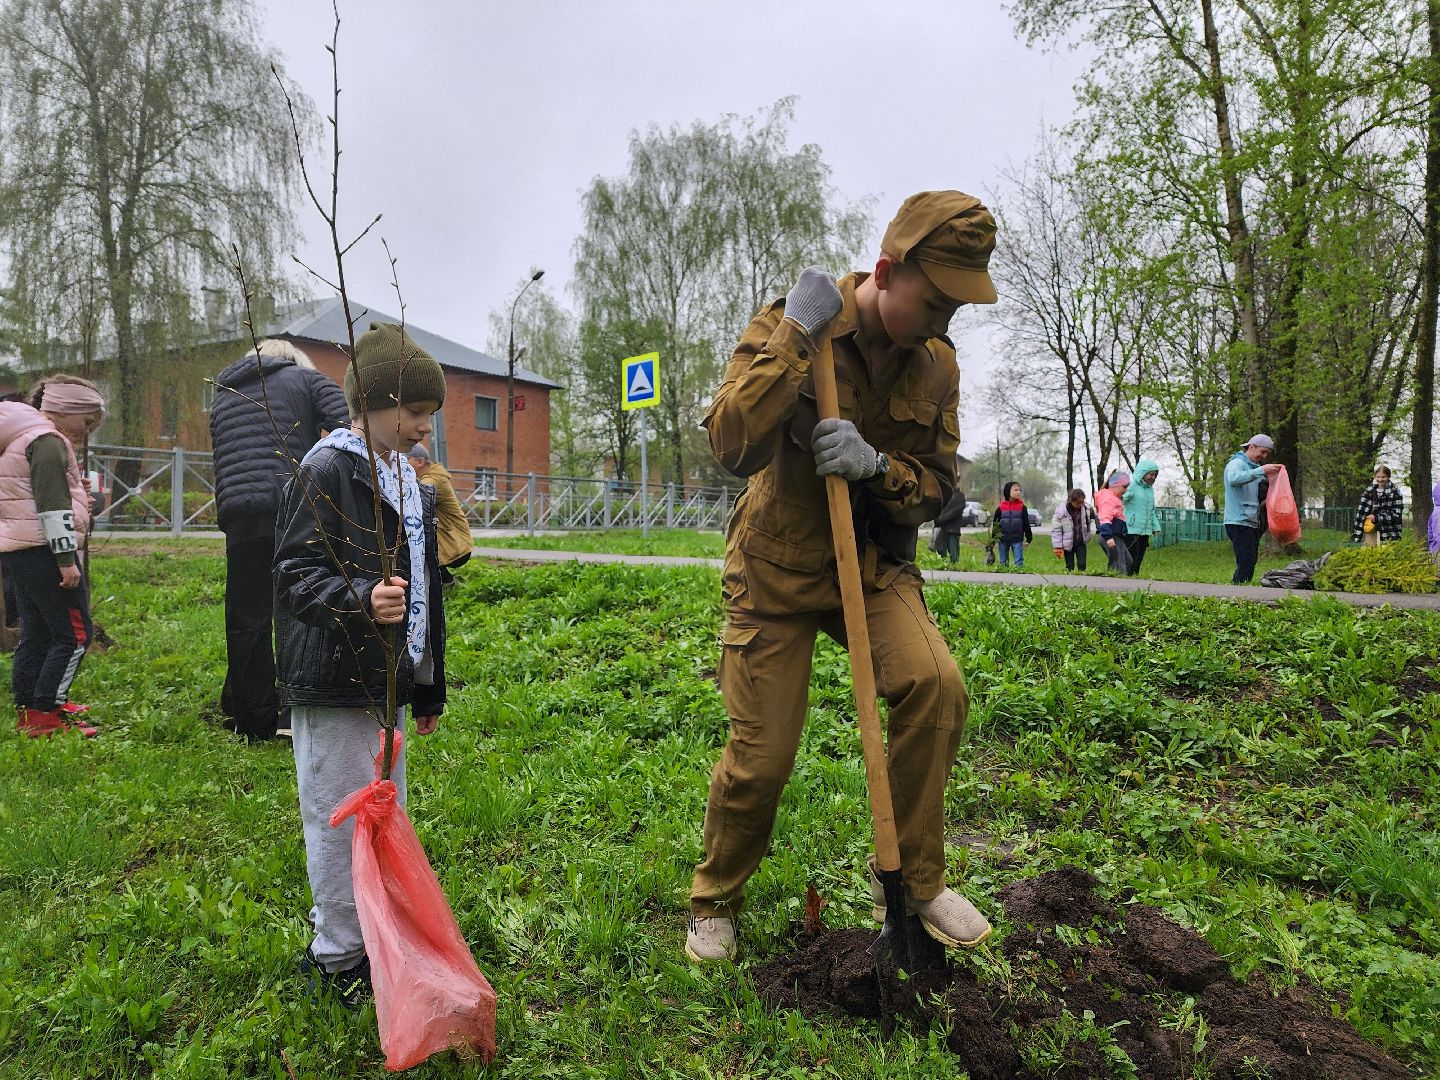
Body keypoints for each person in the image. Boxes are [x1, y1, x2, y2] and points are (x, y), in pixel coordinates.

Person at [687, 191, 997, 964]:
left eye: (958, 308)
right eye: (936, 301)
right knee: (763, 757)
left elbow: (938, 488)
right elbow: (730, 444)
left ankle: (915, 883)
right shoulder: (794, 324)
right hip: (778, 569)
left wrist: (877, 465)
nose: (945, 322)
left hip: (873, 563)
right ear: (887, 273)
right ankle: (715, 899)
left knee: (937, 686)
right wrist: (796, 333)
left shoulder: (938, 364)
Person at [273, 322, 449, 1004]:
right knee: (340, 815)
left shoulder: (411, 482)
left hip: (387, 683)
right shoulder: (326, 471)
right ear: (372, 404)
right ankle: (338, 953)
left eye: (429, 414)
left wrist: (426, 687)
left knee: (384, 813)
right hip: (335, 678)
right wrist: (358, 599)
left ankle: (377, 934)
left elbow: (425, 594)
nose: (424, 427)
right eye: (414, 412)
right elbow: (292, 573)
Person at [210, 338, 348, 742]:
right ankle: (293, 713)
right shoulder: (306, 379)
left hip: (240, 513)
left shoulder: (224, 393)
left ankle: (251, 719)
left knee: (246, 616)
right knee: (299, 606)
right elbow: (349, 426)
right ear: (294, 360)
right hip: (292, 504)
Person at [0, 375, 105, 737]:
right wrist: (65, 560)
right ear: (63, 410)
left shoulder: (21, 437)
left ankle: (30, 708)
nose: (87, 432)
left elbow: (28, 493)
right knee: (75, 635)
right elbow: (51, 507)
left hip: (21, 551)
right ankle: (47, 710)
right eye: (86, 421)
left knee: (37, 633)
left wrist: (74, 487)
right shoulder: (46, 441)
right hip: (47, 552)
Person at [1223, 434, 1284, 584]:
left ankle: (1239, 588)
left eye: (1266, 453)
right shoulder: (1237, 463)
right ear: (1251, 447)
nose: (1264, 456)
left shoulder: (1253, 468)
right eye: (1262, 452)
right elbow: (1234, 479)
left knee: (1250, 560)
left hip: (1251, 521)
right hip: (1238, 521)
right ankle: (1238, 590)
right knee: (1246, 561)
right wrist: (1261, 470)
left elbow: (1260, 492)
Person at [405, 442, 473, 577]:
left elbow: (413, 497)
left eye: (405, 460)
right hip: (450, 541)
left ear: (420, 462)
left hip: (453, 544)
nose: (401, 464)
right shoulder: (429, 476)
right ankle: (447, 581)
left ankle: (445, 582)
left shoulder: (433, 480)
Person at [1121, 458, 1160, 575]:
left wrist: (1155, 527)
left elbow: (1151, 510)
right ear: (1142, 473)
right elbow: (1120, 500)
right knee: (1132, 555)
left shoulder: (1150, 490)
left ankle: (1135, 575)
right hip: (1131, 528)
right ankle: (1127, 575)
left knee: (1140, 556)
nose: (1153, 477)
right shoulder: (1131, 485)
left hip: (1145, 529)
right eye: (1150, 474)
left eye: (1155, 475)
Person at [1350, 466, 1403, 545]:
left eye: (1383, 477)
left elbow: (1396, 515)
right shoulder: (1369, 491)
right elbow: (1360, 513)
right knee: (1369, 551)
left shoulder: (1395, 492)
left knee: (1386, 552)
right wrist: (1357, 532)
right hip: (1370, 530)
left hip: (1389, 532)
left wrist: (1377, 518)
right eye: (1378, 477)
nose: (1380, 479)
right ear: (1375, 477)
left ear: (1388, 477)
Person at [988, 481, 1032, 568]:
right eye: (1016, 490)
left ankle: (1018, 573)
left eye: (1020, 490)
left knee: (1018, 562)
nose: (1019, 492)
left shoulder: (1022, 507)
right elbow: (996, 525)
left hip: (1017, 539)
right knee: (1003, 562)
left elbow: (1026, 524)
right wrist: (993, 540)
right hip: (1003, 539)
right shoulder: (1001, 507)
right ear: (1008, 491)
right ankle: (1004, 573)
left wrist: (1029, 538)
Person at [1095, 472, 1131, 573]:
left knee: (1128, 561)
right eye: (1124, 487)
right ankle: (1116, 581)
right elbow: (1105, 518)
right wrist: (1108, 537)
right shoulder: (1108, 499)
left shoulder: (1114, 498)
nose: (1125, 490)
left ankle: (1118, 577)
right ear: (1115, 485)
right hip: (1110, 535)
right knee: (1119, 565)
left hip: (1116, 536)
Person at [1050, 488, 1092, 572]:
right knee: (1069, 565)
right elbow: (1056, 529)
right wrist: (1057, 546)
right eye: (1078, 503)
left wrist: (1088, 535)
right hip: (1068, 543)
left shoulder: (1087, 509)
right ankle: (1070, 577)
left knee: (1082, 564)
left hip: (1081, 542)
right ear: (1070, 501)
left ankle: (1082, 576)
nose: (1080, 505)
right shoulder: (1061, 512)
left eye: (1082, 502)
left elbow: (1094, 520)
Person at [932, 487, 968, 564]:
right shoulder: (946, 494)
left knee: (953, 552)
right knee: (941, 550)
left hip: (952, 529)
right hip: (944, 528)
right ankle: (943, 564)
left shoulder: (958, 496)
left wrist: (939, 519)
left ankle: (954, 565)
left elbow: (953, 511)